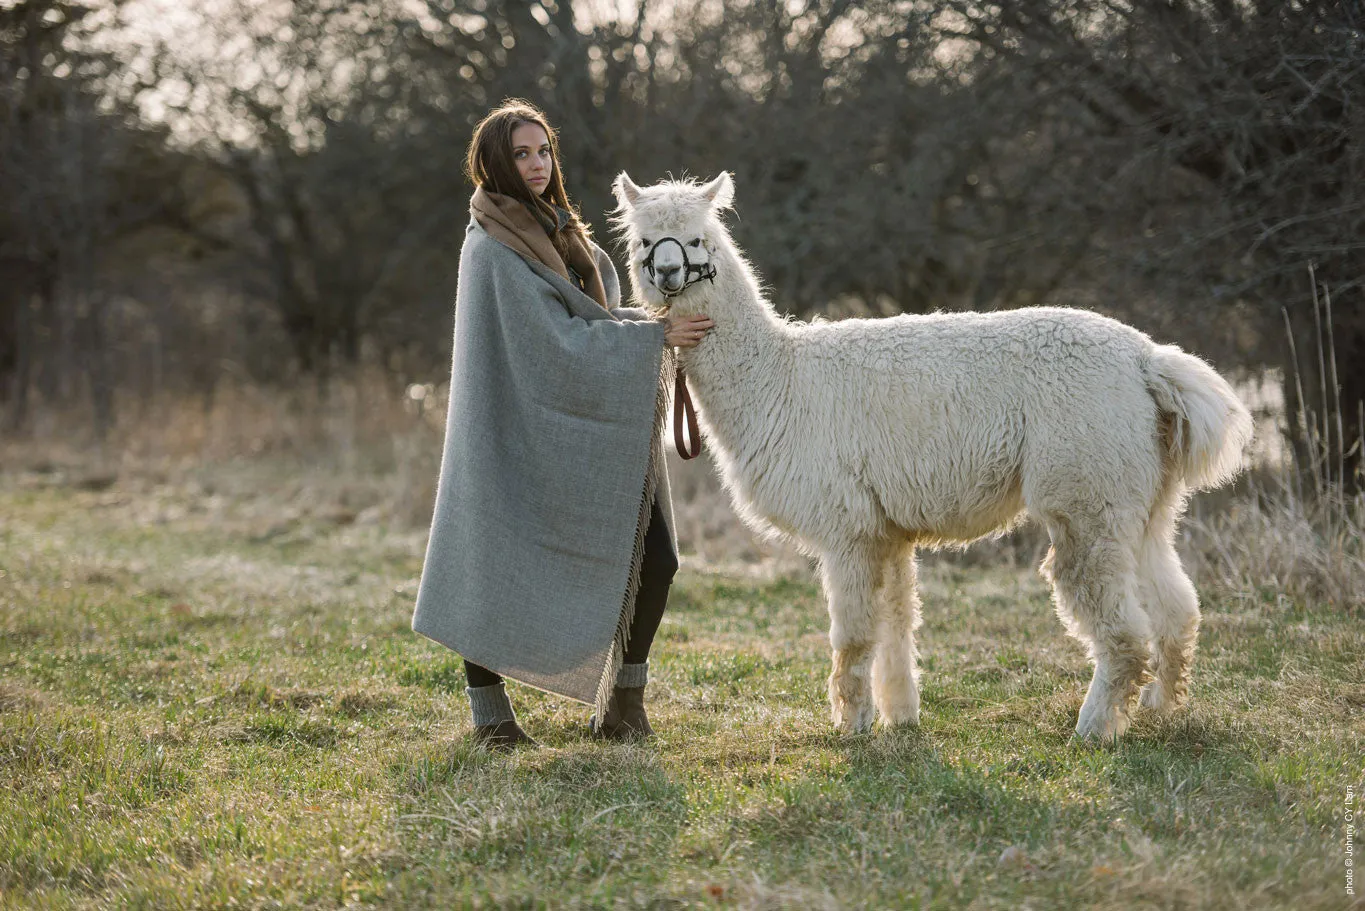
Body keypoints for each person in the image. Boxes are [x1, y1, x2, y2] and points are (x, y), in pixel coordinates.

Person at [411, 100, 714, 751]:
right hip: (515, 425)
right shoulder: (488, 248)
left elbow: (591, 324)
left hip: (591, 423)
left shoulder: (564, 230)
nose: (537, 164)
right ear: (494, 162)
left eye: (543, 149)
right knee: (494, 558)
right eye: (521, 153)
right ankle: (490, 717)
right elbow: (549, 339)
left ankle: (622, 705)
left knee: (657, 556)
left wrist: (652, 333)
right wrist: (651, 337)